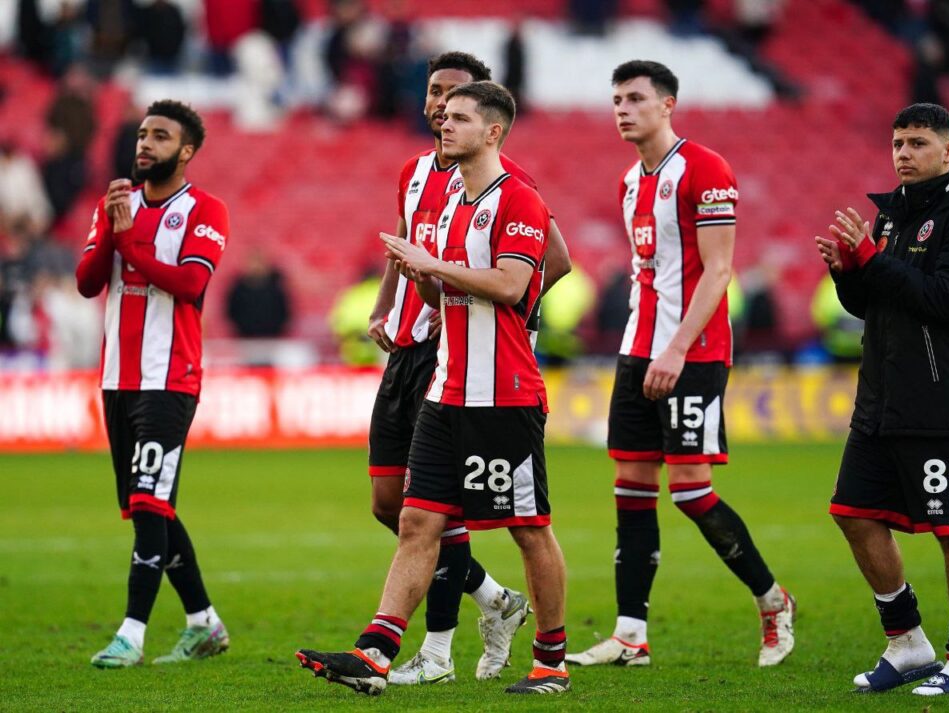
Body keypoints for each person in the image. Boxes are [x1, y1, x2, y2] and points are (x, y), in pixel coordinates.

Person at [296, 81, 570, 696]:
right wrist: (422, 273)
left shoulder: (518, 201)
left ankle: (551, 661)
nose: (444, 125)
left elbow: (508, 284)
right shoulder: (448, 204)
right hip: (446, 391)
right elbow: (435, 298)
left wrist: (433, 265)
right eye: (443, 117)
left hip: (503, 394)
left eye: (460, 118)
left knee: (528, 527)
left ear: (493, 131)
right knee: (418, 521)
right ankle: (376, 652)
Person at [566, 60, 795, 670]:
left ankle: (773, 600)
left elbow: (719, 271)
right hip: (636, 349)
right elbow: (652, 274)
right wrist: (645, 349)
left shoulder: (706, 169)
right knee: (631, 489)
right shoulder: (629, 182)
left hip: (690, 352)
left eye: (636, 98)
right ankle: (630, 635)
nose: (623, 109)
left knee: (692, 491)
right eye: (616, 99)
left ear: (667, 105)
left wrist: (675, 349)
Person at [815, 103, 949, 696]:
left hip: (945, 404)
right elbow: (879, 306)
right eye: (897, 142)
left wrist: (874, 262)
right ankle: (907, 642)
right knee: (853, 513)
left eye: (918, 142)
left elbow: (948, 297)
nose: (902, 152)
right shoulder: (894, 217)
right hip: (883, 400)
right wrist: (851, 274)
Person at [75, 100, 230, 668]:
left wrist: (131, 243)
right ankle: (204, 623)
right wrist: (115, 233)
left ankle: (131, 635)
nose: (145, 144)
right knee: (153, 506)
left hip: (171, 378)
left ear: (185, 151)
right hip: (118, 378)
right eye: (142, 134)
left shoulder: (204, 209)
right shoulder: (115, 204)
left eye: (159, 136)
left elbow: (190, 283)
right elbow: (89, 283)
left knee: (148, 502)